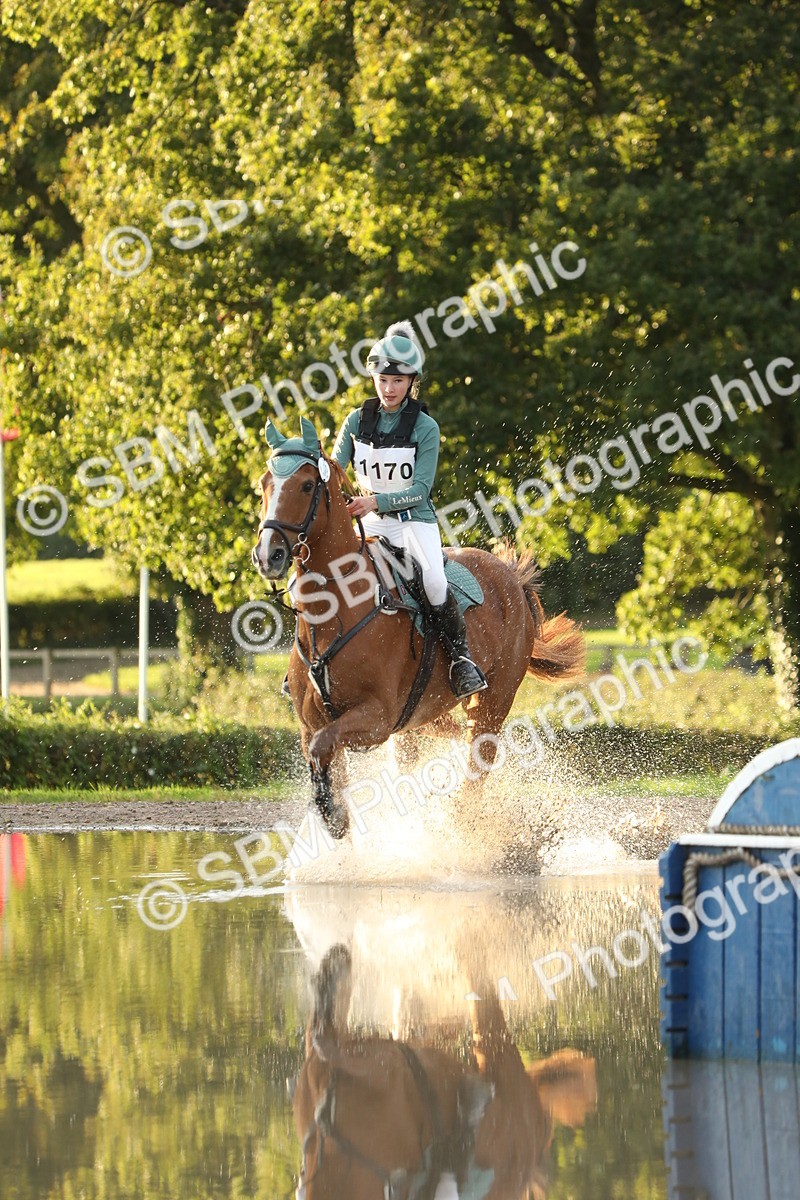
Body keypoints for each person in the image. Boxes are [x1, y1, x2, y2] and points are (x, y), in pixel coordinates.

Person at [329, 320, 488, 699]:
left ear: (411, 381)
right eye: (382, 380)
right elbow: (336, 470)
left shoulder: (425, 426)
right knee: (330, 574)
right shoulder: (355, 420)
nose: (388, 388)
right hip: (370, 526)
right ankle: (311, 661)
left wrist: (374, 502)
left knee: (433, 581)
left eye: (397, 382)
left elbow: (420, 490)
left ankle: (460, 660)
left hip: (412, 523)